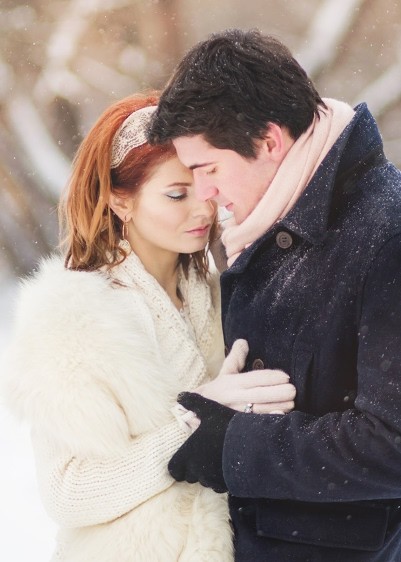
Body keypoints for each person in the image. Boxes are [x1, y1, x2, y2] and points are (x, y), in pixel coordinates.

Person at [0, 92, 296, 562]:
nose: (202, 209)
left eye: (204, 186)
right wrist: (198, 418)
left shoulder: (220, 291)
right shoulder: (72, 318)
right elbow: (68, 493)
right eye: (176, 194)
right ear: (121, 201)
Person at [148, 28, 401, 561]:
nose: (205, 193)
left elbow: (392, 443)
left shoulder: (386, 235)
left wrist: (233, 446)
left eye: (208, 168)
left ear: (268, 141)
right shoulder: (270, 221)